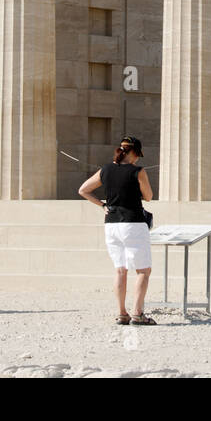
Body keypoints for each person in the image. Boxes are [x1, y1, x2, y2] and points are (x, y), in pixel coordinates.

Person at [78, 136, 156, 325]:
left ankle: (122, 313)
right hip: (133, 223)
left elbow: (83, 190)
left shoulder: (106, 169)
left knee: (120, 270)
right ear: (135, 153)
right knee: (143, 271)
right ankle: (137, 313)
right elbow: (148, 197)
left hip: (111, 223)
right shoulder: (138, 171)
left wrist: (102, 205)